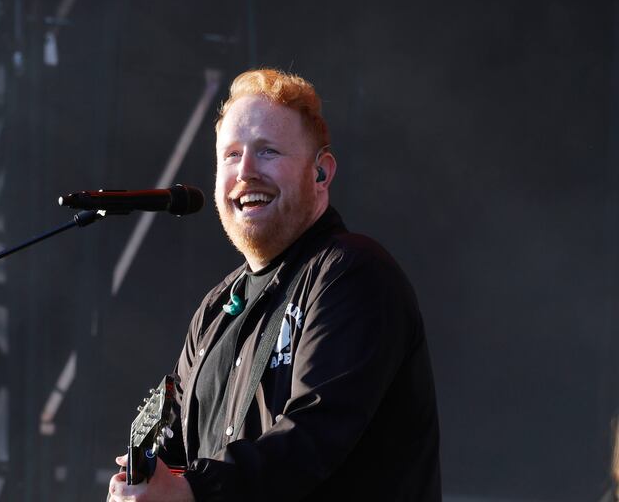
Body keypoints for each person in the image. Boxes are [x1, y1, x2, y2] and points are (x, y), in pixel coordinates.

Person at [108, 69, 441, 501]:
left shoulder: (352, 274)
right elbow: (176, 460)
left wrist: (194, 490)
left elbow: (314, 437)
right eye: (230, 155)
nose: (245, 171)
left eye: (267, 152)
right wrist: (146, 483)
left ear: (320, 173)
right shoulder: (215, 311)